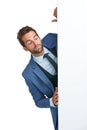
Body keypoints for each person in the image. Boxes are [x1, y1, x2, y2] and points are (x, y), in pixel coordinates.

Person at [17, 25, 58, 130]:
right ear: (25, 48)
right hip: (63, 112)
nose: (36, 43)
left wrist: (62, 19)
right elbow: (38, 101)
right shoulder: (28, 74)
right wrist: (52, 101)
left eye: (35, 37)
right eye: (29, 42)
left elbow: (75, 38)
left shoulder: (52, 38)